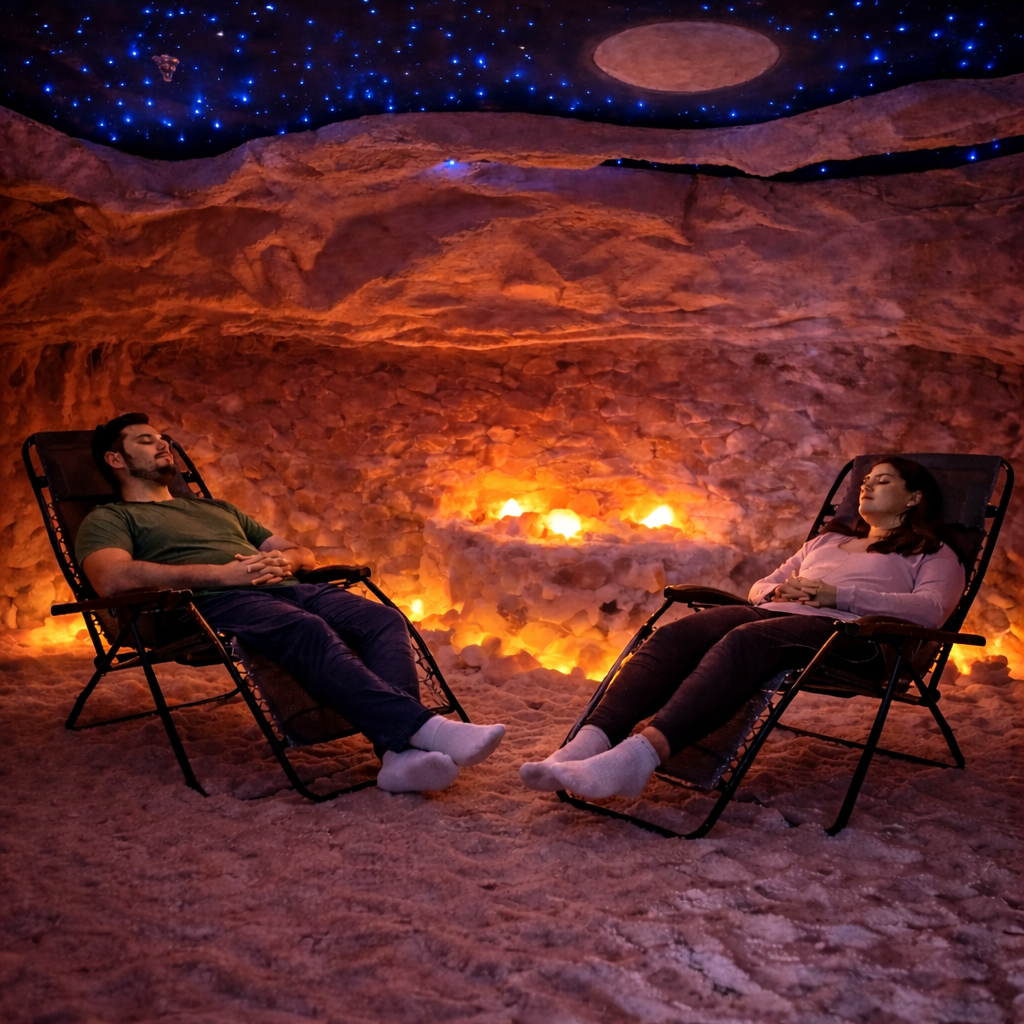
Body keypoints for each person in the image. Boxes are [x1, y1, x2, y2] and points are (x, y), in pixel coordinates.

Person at [77, 412, 506, 794]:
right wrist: (225, 575)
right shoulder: (111, 518)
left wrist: (285, 560)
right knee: (304, 628)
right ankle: (423, 729)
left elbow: (300, 553)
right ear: (116, 460)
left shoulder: (216, 509)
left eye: (162, 438)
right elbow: (113, 577)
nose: (162, 444)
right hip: (205, 603)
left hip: (285, 587)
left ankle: (398, 756)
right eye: (145, 441)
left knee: (381, 620)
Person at [520, 457, 965, 799]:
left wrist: (835, 597)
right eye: (865, 481)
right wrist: (778, 593)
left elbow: (929, 611)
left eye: (883, 481)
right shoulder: (828, 541)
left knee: (744, 642)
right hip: (781, 616)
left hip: (853, 637)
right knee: (679, 634)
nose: (868, 485)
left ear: (914, 499)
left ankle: (642, 755)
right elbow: (761, 586)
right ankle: (584, 747)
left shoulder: (934, 555)